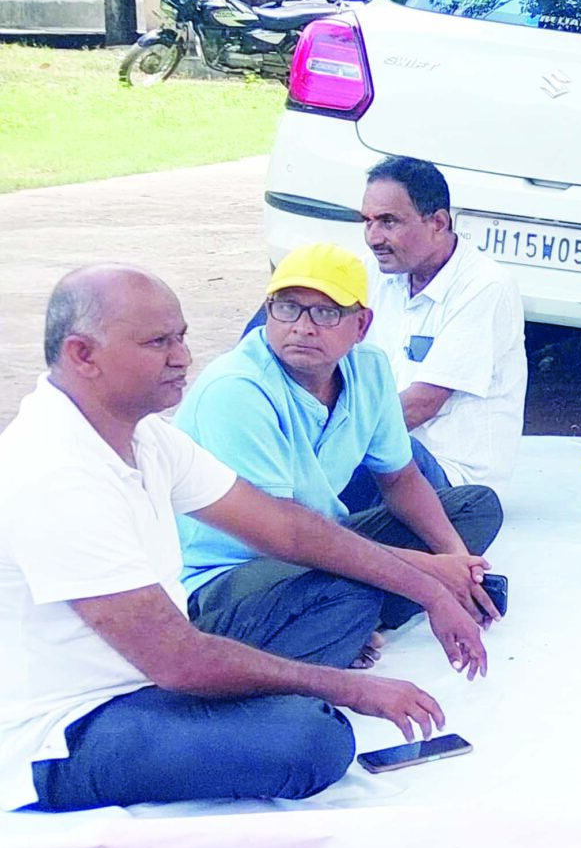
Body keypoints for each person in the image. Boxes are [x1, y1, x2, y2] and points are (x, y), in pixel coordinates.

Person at [2, 267, 465, 812]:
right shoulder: (55, 470)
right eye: (158, 343)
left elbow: (286, 527)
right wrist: (347, 688)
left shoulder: (144, 434)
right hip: (67, 728)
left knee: (352, 595)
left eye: (181, 338)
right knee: (311, 739)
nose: (182, 358)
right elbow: (177, 660)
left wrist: (431, 589)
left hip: (151, 678)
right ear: (83, 355)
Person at [176, 245, 504, 670]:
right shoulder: (237, 389)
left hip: (317, 539)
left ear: (361, 324)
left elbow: (401, 479)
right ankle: (337, 620)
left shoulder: (369, 369)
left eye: (325, 313)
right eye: (287, 308)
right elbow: (285, 535)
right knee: (349, 592)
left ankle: (336, 622)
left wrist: (459, 567)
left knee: (476, 507)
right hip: (230, 573)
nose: (302, 328)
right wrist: (428, 579)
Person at [351, 156, 527, 509]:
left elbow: (421, 405)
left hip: (452, 481)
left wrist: (323, 440)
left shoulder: (485, 286)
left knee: (362, 455)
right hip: (386, 454)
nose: (373, 237)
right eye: (367, 221)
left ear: (438, 222)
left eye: (388, 221)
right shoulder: (375, 271)